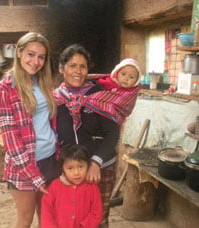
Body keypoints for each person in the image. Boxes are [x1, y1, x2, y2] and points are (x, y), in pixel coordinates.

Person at [0, 32, 60, 228]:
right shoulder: (5, 89)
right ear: (19, 52)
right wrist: (34, 175)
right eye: (31, 54)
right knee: (25, 219)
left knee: (48, 217)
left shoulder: (43, 82)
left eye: (41, 57)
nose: (36, 61)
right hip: (24, 166)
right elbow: (11, 140)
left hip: (50, 159)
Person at [53, 44, 120, 228]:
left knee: (97, 219)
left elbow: (112, 133)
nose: (78, 71)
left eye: (83, 66)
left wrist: (96, 162)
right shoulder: (56, 100)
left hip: (100, 170)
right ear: (62, 69)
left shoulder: (100, 96)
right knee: (73, 218)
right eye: (72, 65)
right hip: (71, 169)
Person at [41, 144, 102, 228]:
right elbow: (46, 210)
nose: (76, 173)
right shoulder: (55, 186)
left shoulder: (92, 188)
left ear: (88, 166)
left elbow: (96, 212)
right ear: (63, 169)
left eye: (81, 167)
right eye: (70, 168)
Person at [86, 58, 141, 125]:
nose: (126, 79)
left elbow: (126, 110)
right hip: (95, 114)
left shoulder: (131, 94)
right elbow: (95, 92)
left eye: (131, 77)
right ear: (116, 73)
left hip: (113, 120)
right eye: (123, 74)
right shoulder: (108, 82)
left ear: (136, 81)